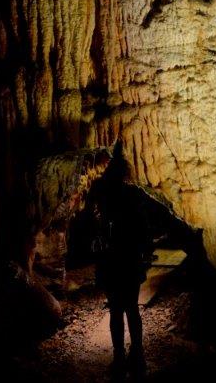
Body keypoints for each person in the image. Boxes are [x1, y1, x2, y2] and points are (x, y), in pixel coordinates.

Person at [90, 149, 152, 378]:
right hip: (129, 259)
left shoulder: (102, 194)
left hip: (111, 261)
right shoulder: (132, 195)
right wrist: (146, 254)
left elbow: (93, 224)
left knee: (116, 309)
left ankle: (119, 356)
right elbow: (144, 228)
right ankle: (137, 354)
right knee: (131, 308)